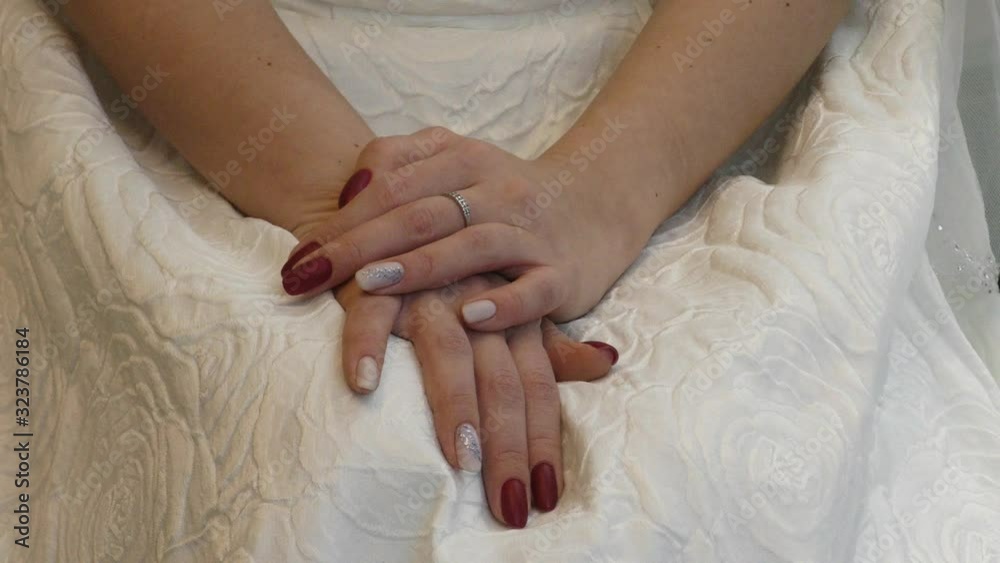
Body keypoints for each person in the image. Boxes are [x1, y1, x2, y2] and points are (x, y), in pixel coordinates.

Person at [65, 0, 849, 528]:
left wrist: (599, 197)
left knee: (709, 476)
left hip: (695, 85)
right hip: (206, 82)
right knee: (304, 465)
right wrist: (368, 215)